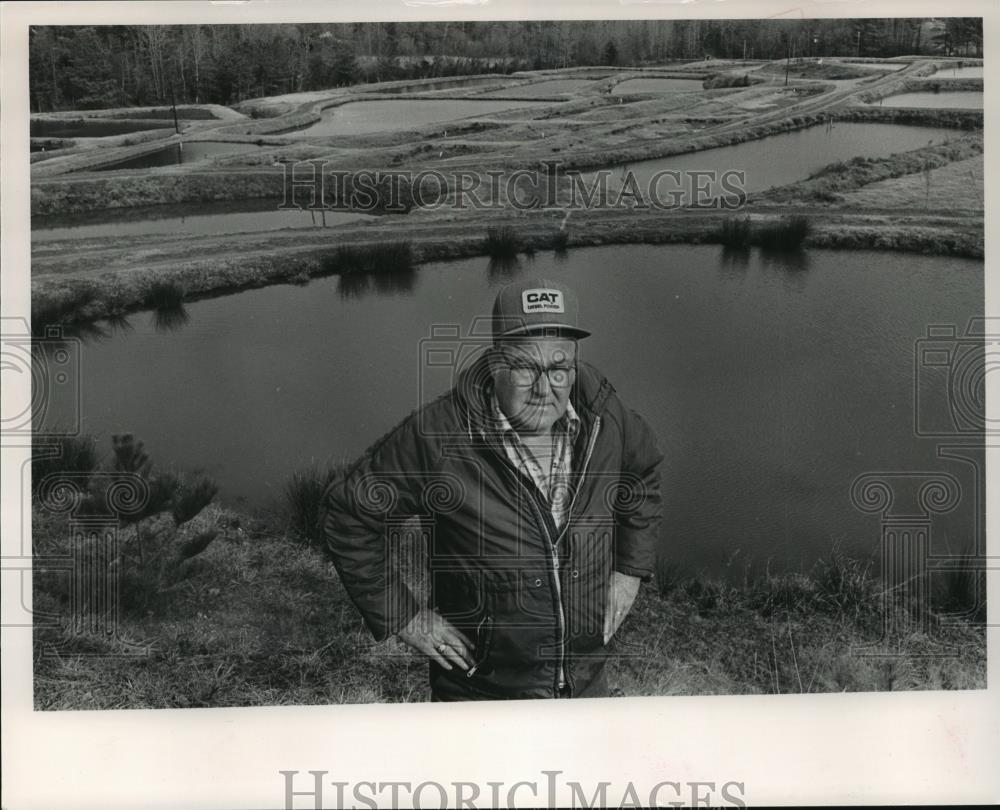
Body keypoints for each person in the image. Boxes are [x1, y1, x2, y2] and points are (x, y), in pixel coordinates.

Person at [320, 277, 663, 700]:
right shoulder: (439, 436)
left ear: (574, 365)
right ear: (496, 362)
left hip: (584, 688)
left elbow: (642, 474)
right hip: (483, 692)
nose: (544, 388)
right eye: (525, 367)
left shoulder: (604, 416)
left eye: (559, 368)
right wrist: (405, 617)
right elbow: (348, 515)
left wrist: (629, 572)